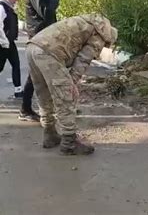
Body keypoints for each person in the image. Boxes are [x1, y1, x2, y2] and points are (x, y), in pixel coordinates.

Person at [26, 14, 117, 155]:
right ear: (109, 37)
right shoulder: (100, 35)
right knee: (65, 96)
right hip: (49, 53)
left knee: (43, 94)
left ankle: (49, 133)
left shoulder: (88, 21)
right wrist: (72, 82)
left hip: (33, 47)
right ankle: (69, 142)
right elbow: (83, 60)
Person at [19, 0, 64, 122]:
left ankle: (27, 109)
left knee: (37, 75)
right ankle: (27, 109)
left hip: (46, 37)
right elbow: (46, 13)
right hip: (39, 39)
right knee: (37, 75)